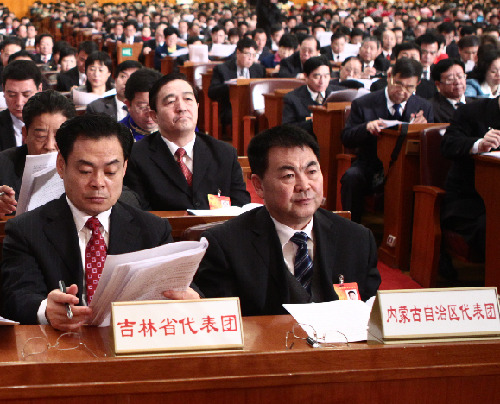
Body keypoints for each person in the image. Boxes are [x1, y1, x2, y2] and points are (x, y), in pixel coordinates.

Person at [0, 114, 197, 328]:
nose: (98, 183)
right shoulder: (27, 230)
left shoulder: (152, 230)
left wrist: (191, 299)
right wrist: (46, 310)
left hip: (130, 347)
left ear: (124, 169)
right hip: (62, 348)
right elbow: (16, 296)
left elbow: (183, 288)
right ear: (61, 165)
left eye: (111, 171)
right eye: (85, 171)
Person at [194, 125, 381, 316]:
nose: (304, 185)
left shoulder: (357, 239)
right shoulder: (226, 245)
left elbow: (371, 319)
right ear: (258, 185)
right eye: (288, 176)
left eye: (312, 172)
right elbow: (226, 323)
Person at [125, 73, 250, 211]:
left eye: (188, 99)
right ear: (154, 116)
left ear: (197, 106)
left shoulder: (224, 153)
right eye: (171, 101)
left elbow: (241, 208)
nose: (182, 108)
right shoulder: (136, 156)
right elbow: (138, 214)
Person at [341, 58, 434, 223]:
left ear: (418, 84)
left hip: (407, 165)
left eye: (409, 87)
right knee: (351, 177)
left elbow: (431, 146)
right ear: (389, 76)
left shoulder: (424, 107)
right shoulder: (363, 103)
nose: (402, 91)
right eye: (398, 84)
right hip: (371, 164)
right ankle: (350, 228)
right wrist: (366, 127)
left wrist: (422, 130)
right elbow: (346, 138)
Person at [440, 97, 500, 263]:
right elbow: (448, 145)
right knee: (494, 226)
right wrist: (479, 144)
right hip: (470, 202)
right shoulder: (471, 111)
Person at [0, 90, 76, 216]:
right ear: (25, 134)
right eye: (41, 136)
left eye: (59, 136)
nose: (50, 146)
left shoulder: (82, 166)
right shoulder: (3, 164)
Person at [208, 37, 265, 131]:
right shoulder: (222, 69)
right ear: (238, 53)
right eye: (247, 54)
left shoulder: (259, 69)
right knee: (238, 116)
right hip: (230, 107)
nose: (250, 58)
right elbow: (212, 92)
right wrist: (232, 85)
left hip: (253, 107)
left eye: (254, 55)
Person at [282, 56, 343, 134]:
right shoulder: (292, 98)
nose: (322, 81)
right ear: (306, 76)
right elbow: (287, 128)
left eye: (326, 76)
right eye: (317, 76)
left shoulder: (339, 93)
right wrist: (315, 121)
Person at [0, 60, 42, 151]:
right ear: (3, 90)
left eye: (26, 95)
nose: (19, 102)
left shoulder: (53, 123)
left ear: (39, 89)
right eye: (12, 95)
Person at [120, 67, 162, 141]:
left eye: (155, 106)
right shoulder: (117, 135)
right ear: (128, 105)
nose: (150, 114)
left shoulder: (175, 130)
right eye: (142, 107)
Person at [430, 59, 472, 123]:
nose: (457, 82)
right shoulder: (431, 108)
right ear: (438, 84)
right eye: (450, 79)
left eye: (460, 76)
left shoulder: (476, 104)